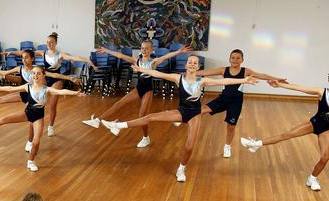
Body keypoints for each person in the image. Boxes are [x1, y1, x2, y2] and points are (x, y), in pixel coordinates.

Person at [102, 56, 257, 182]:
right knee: (150, 117)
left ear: (198, 67)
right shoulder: (178, 78)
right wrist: (140, 69)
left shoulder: (201, 81)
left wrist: (243, 81)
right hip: (181, 111)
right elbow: (158, 74)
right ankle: (119, 126)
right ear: (186, 65)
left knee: (189, 146)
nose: (192, 64)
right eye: (190, 62)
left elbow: (224, 81)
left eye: (195, 63)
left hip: (195, 114)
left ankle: (181, 168)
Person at [240, 69, 329, 191]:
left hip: (326, 130)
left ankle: (312, 179)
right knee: (286, 135)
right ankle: (255, 144)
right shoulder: (321, 92)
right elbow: (300, 88)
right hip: (314, 124)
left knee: (325, 157)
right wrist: (280, 86)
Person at [0, 66, 84, 171]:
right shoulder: (28, 86)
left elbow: (61, 91)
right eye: (34, 73)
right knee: (3, 120)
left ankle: (30, 162)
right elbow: (11, 89)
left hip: (38, 118)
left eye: (38, 73)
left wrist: (75, 93)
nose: (35, 75)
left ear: (43, 75)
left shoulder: (47, 90)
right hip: (27, 114)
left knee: (36, 142)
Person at [0, 49, 80, 152]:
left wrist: (70, 78)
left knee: (31, 120)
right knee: (1, 99)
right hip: (25, 91)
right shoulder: (20, 68)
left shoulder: (37, 70)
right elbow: (6, 75)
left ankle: (30, 142)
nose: (24, 60)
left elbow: (55, 75)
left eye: (26, 57)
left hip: (32, 97)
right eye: (22, 58)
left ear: (32, 59)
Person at [83, 42, 191, 148]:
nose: (144, 50)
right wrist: (107, 50)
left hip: (148, 90)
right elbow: (120, 55)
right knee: (119, 103)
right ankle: (97, 120)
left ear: (151, 50)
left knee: (142, 116)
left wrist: (179, 51)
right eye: (142, 48)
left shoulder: (154, 62)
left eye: (146, 48)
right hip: (138, 89)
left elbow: (167, 56)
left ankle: (145, 138)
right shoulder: (136, 60)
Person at [194, 49, 286, 158]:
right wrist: (189, 73)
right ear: (229, 59)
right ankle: (182, 118)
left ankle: (227, 147)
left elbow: (261, 75)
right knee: (201, 110)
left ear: (242, 60)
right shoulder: (223, 70)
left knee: (231, 126)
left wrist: (277, 79)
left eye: (238, 58)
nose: (235, 60)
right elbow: (206, 73)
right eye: (233, 57)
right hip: (222, 99)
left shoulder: (245, 71)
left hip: (236, 102)